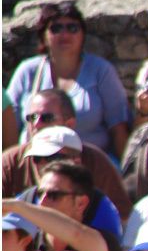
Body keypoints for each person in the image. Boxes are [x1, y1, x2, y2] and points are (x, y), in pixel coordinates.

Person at [7, 2, 130, 161]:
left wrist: (127, 174)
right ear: (43, 36)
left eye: (72, 28)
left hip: (90, 165)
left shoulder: (101, 70)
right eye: (56, 28)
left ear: (83, 35)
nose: (64, 34)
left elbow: (118, 127)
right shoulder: (27, 71)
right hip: (34, 162)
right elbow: (8, 125)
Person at [2, 90, 131, 221]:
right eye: (32, 118)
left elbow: (122, 216)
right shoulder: (10, 162)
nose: (36, 124)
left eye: (46, 118)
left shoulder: (96, 161)